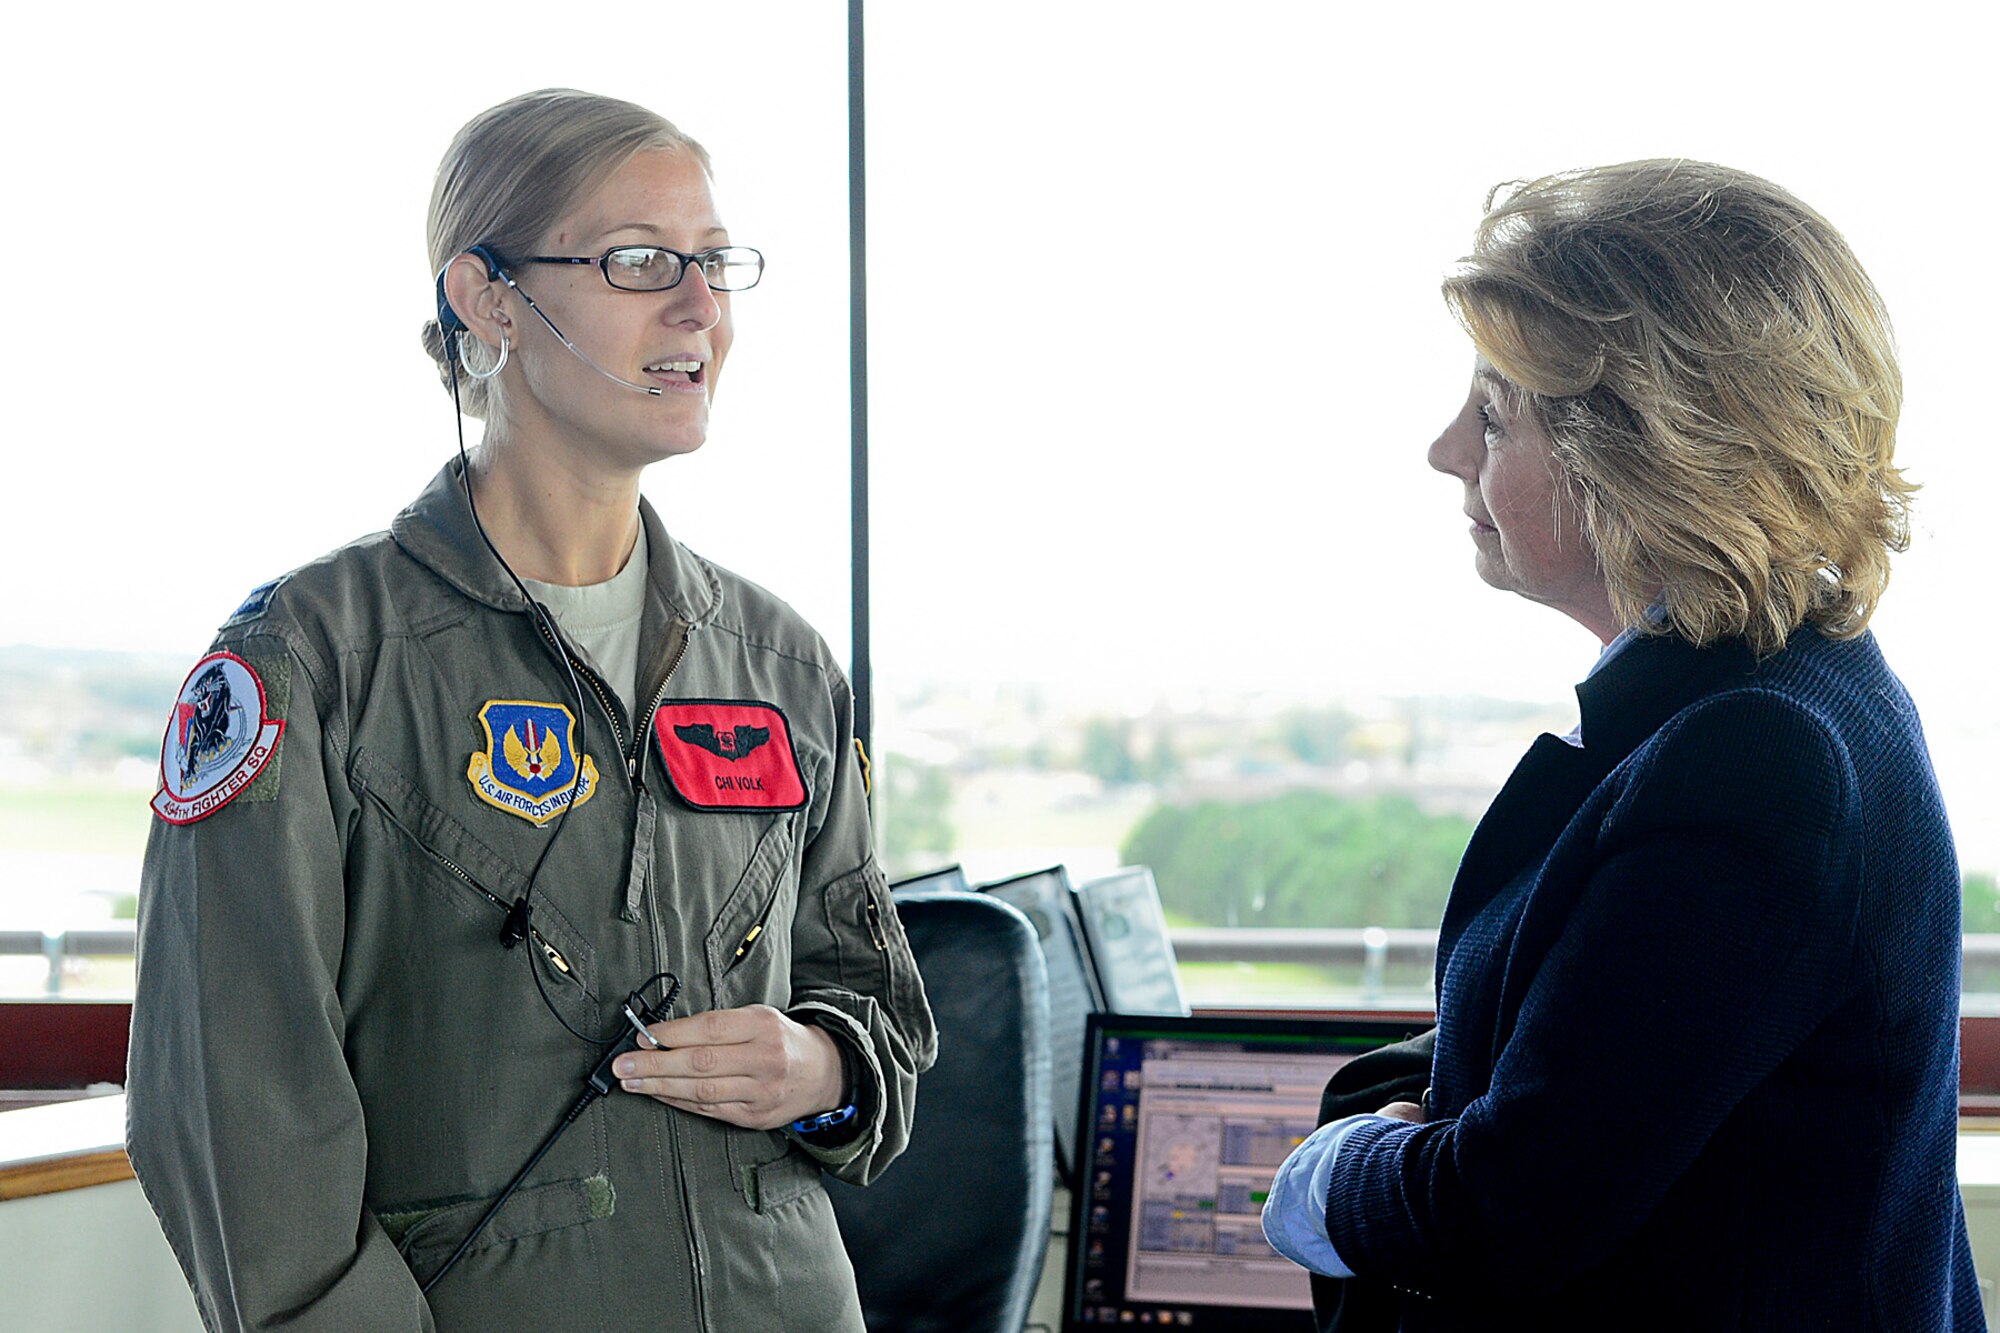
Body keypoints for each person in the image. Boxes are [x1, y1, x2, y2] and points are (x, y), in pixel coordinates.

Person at [127, 88, 936, 1332]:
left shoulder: (777, 662)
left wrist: (821, 1064)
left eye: (715, 262)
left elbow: (880, 1014)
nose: (700, 307)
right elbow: (234, 1113)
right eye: (638, 261)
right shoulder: (310, 661)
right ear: (487, 297)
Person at [1262, 160, 1982, 1329]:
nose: (1444, 450)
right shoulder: (1793, 694)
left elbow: (1504, 1212)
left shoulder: (1755, 759)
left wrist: (1323, 1176)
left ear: (1640, 453)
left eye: (1491, 415)